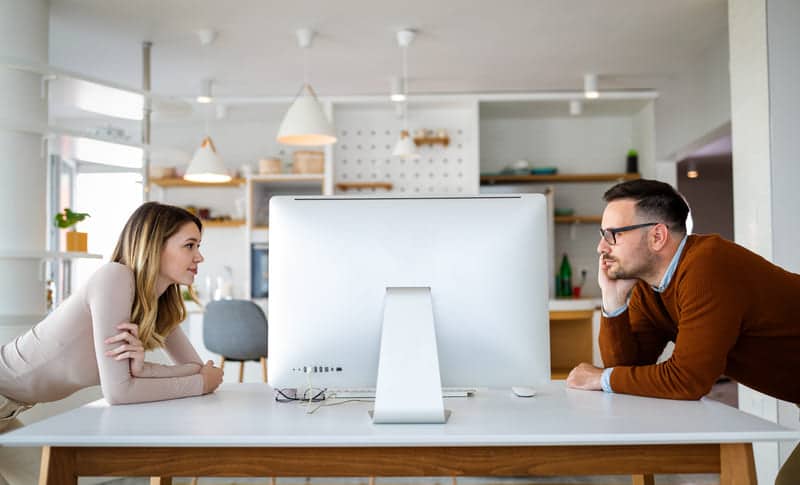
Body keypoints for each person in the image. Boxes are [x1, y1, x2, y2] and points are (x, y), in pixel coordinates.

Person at [565, 178, 800, 484]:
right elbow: (628, 368)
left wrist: (601, 378)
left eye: (613, 235)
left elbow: (688, 380)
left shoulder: (708, 265)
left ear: (657, 236)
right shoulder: (650, 289)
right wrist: (613, 301)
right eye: (602, 235)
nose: (601, 247)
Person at [0, 202, 224, 484]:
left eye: (198, 245)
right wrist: (200, 383)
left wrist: (144, 371)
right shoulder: (115, 278)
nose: (199, 256)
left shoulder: (157, 301)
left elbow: (192, 367)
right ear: (154, 245)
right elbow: (120, 392)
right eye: (189, 245)